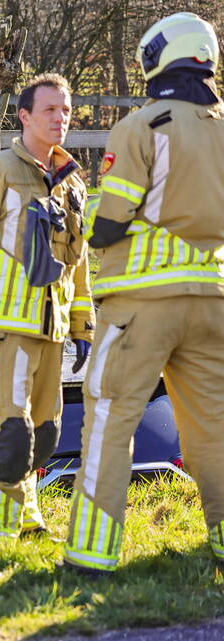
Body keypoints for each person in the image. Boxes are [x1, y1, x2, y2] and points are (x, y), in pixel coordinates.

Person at [63, 12, 224, 574]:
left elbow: (110, 221)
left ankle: (90, 555)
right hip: (214, 299)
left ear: (158, 56)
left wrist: (81, 224)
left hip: (140, 304)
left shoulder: (144, 125)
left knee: (109, 420)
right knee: (214, 428)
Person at [0, 73, 95, 540]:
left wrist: (82, 323)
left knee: (44, 437)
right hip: (2, 329)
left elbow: (80, 262)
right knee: (12, 434)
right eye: (50, 110)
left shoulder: (72, 183)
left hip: (51, 333)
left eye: (66, 110)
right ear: (25, 115)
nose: (60, 118)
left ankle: (27, 522)